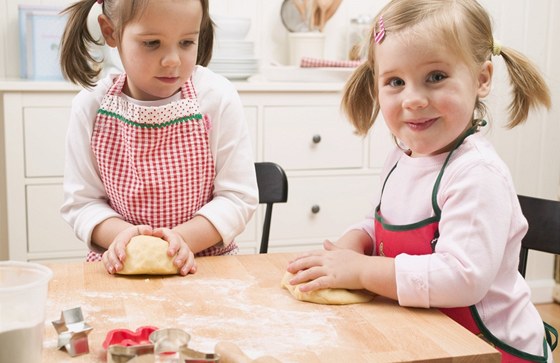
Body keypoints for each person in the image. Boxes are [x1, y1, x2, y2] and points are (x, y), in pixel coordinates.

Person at [286, 0, 557, 361]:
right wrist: (354, 243)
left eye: (435, 77)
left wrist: (365, 271)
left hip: (489, 349)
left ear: (481, 79)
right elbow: (383, 219)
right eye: (395, 81)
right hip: (429, 334)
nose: (413, 99)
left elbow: (462, 278)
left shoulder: (476, 175)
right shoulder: (402, 155)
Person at [59, 0, 258, 276]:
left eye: (187, 42)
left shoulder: (216, 98)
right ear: (111, 32)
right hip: (121, 268)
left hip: (206, 267)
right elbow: (81, 203)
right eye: (152, 43)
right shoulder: (90, 107)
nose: (172, 60)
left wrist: (181, 241)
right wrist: (127, 239)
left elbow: (237, 197)